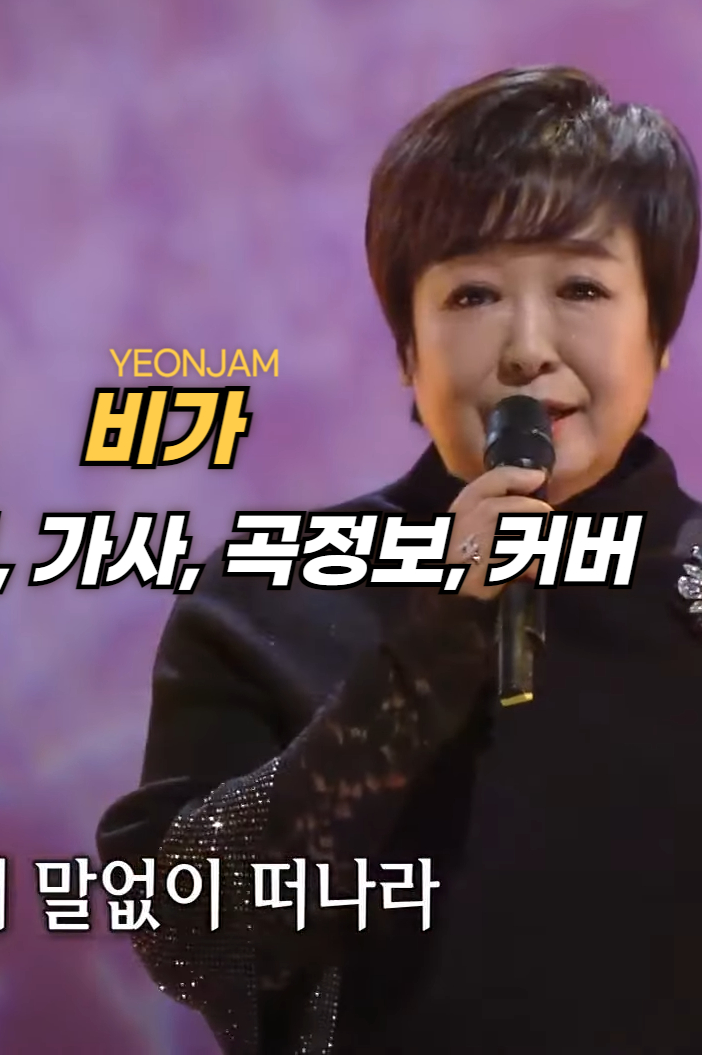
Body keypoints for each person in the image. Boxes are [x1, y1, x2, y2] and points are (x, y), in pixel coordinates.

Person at [95, 66, 702, 1053]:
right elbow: (195, 937)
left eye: (583, 287)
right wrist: (432, 646)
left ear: (660, 332)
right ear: (408, 352)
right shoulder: (268, 595)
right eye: (473, 294)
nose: (528, 348)